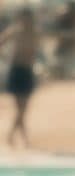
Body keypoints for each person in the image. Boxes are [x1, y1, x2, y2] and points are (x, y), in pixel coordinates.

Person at [0, 9, 39, 148]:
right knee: (20, 108)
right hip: (17, 70)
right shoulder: (15, 32)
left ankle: (14, 136)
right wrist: (5, 58)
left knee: (23, 108)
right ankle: (23, 138)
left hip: (27, 70)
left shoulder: (34, 33)